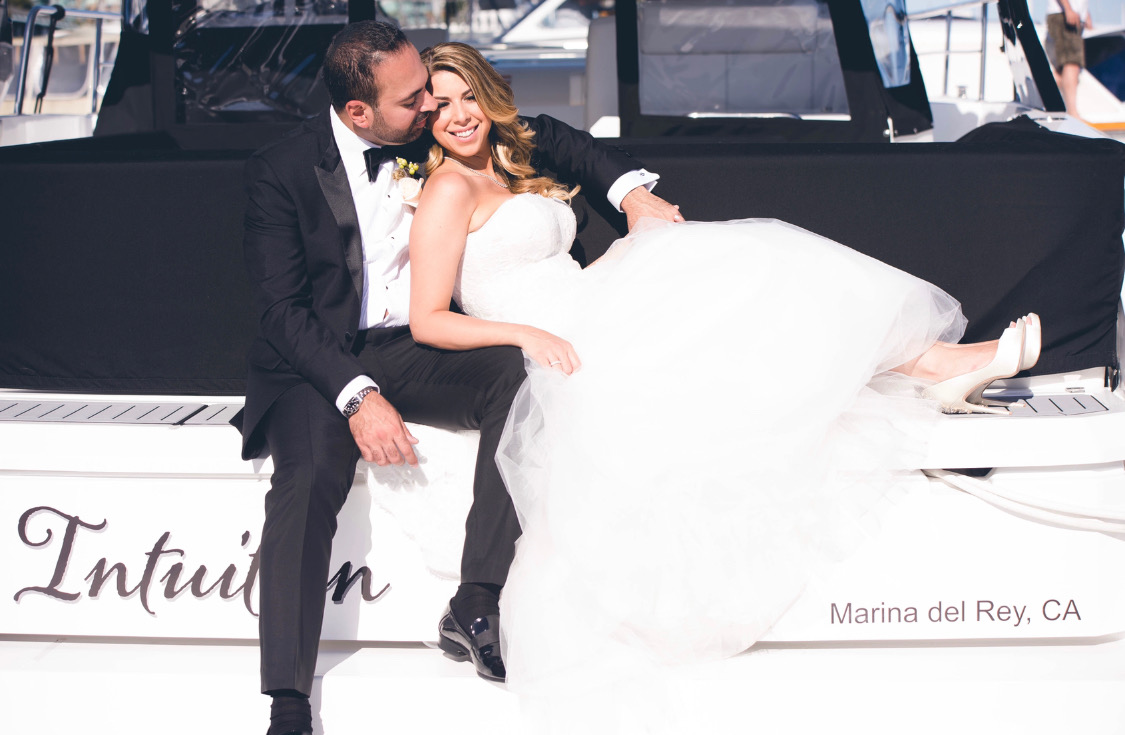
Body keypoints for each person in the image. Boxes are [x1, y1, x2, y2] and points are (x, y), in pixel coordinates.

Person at [407, 42, 1042, 732]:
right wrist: (525, 335)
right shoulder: (447, 189)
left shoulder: (510, 163)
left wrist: (631, 223)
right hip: (555, 345)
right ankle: (937, 365)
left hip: (582, 311)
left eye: (468, 96)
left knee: (747, 266)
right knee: (740, 281)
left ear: (489, 95)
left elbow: (559, 191)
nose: (459, 115)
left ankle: (932, 362)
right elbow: (428, 318)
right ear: (422, 117)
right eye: (441, 106)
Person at [236, 21, 679, 735]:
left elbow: (549, 138)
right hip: (318, 360)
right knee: (307, 479)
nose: (430, 109)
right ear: (360, 112)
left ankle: (476, 598)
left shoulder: (427, 129)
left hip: (411, 344)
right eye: (414, 99)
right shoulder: (281, 170)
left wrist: (631, 194)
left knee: (520, 374)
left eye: (430, 94)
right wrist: (356, 395)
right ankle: (287, 702)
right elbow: (283, 313)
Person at [1045, 0, 1093, 117]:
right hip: (1064, 15)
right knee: (1072, 63)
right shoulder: (1067, 12)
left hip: (1068, 14)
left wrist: (1085, 15)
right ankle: (1072, 113)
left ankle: (1051, 109)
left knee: (1060, 70)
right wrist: (1068, 9)